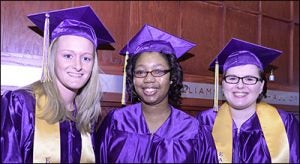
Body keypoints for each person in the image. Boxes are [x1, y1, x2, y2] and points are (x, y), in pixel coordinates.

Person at [1, 5, 115, 163]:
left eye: (86, 58)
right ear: (52, 58)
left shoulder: (86, 117)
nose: (78, 65)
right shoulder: (20, 105)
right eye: (68, 55)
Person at [94, 24, 218, 163]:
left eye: (158, 71)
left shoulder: (194, 131)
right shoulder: (116, 122)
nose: (148, 79)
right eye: (140, 72)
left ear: (172, 78)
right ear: (132, 78)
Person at [196, 38, 299, 163]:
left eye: (249, 79)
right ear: (223, 84)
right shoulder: (204, 122)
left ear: (261, 86)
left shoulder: (285, 122)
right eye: (232, 78)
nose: (240, 85)